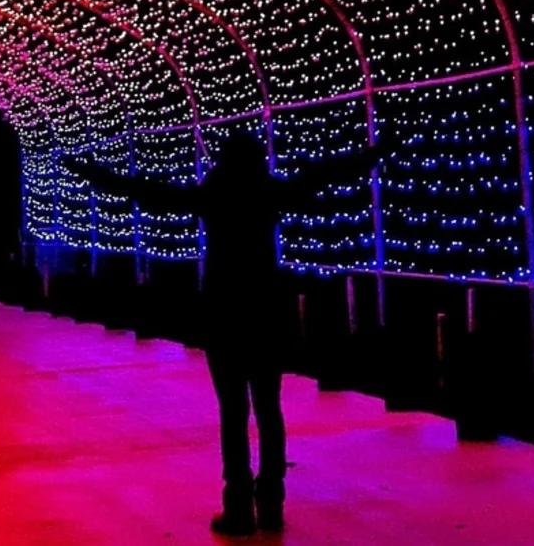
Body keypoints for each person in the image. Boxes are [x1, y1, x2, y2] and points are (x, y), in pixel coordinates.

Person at [65, 131, 392, 535]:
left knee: (233, 412)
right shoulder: (269, 193)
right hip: (267, 312)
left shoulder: (213, 196)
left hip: (225, 313)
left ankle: (238, 506)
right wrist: (376, 152)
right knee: (270, 410)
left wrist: (89, 171)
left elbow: (148, 192)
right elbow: (322, 176)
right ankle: (272, 502)